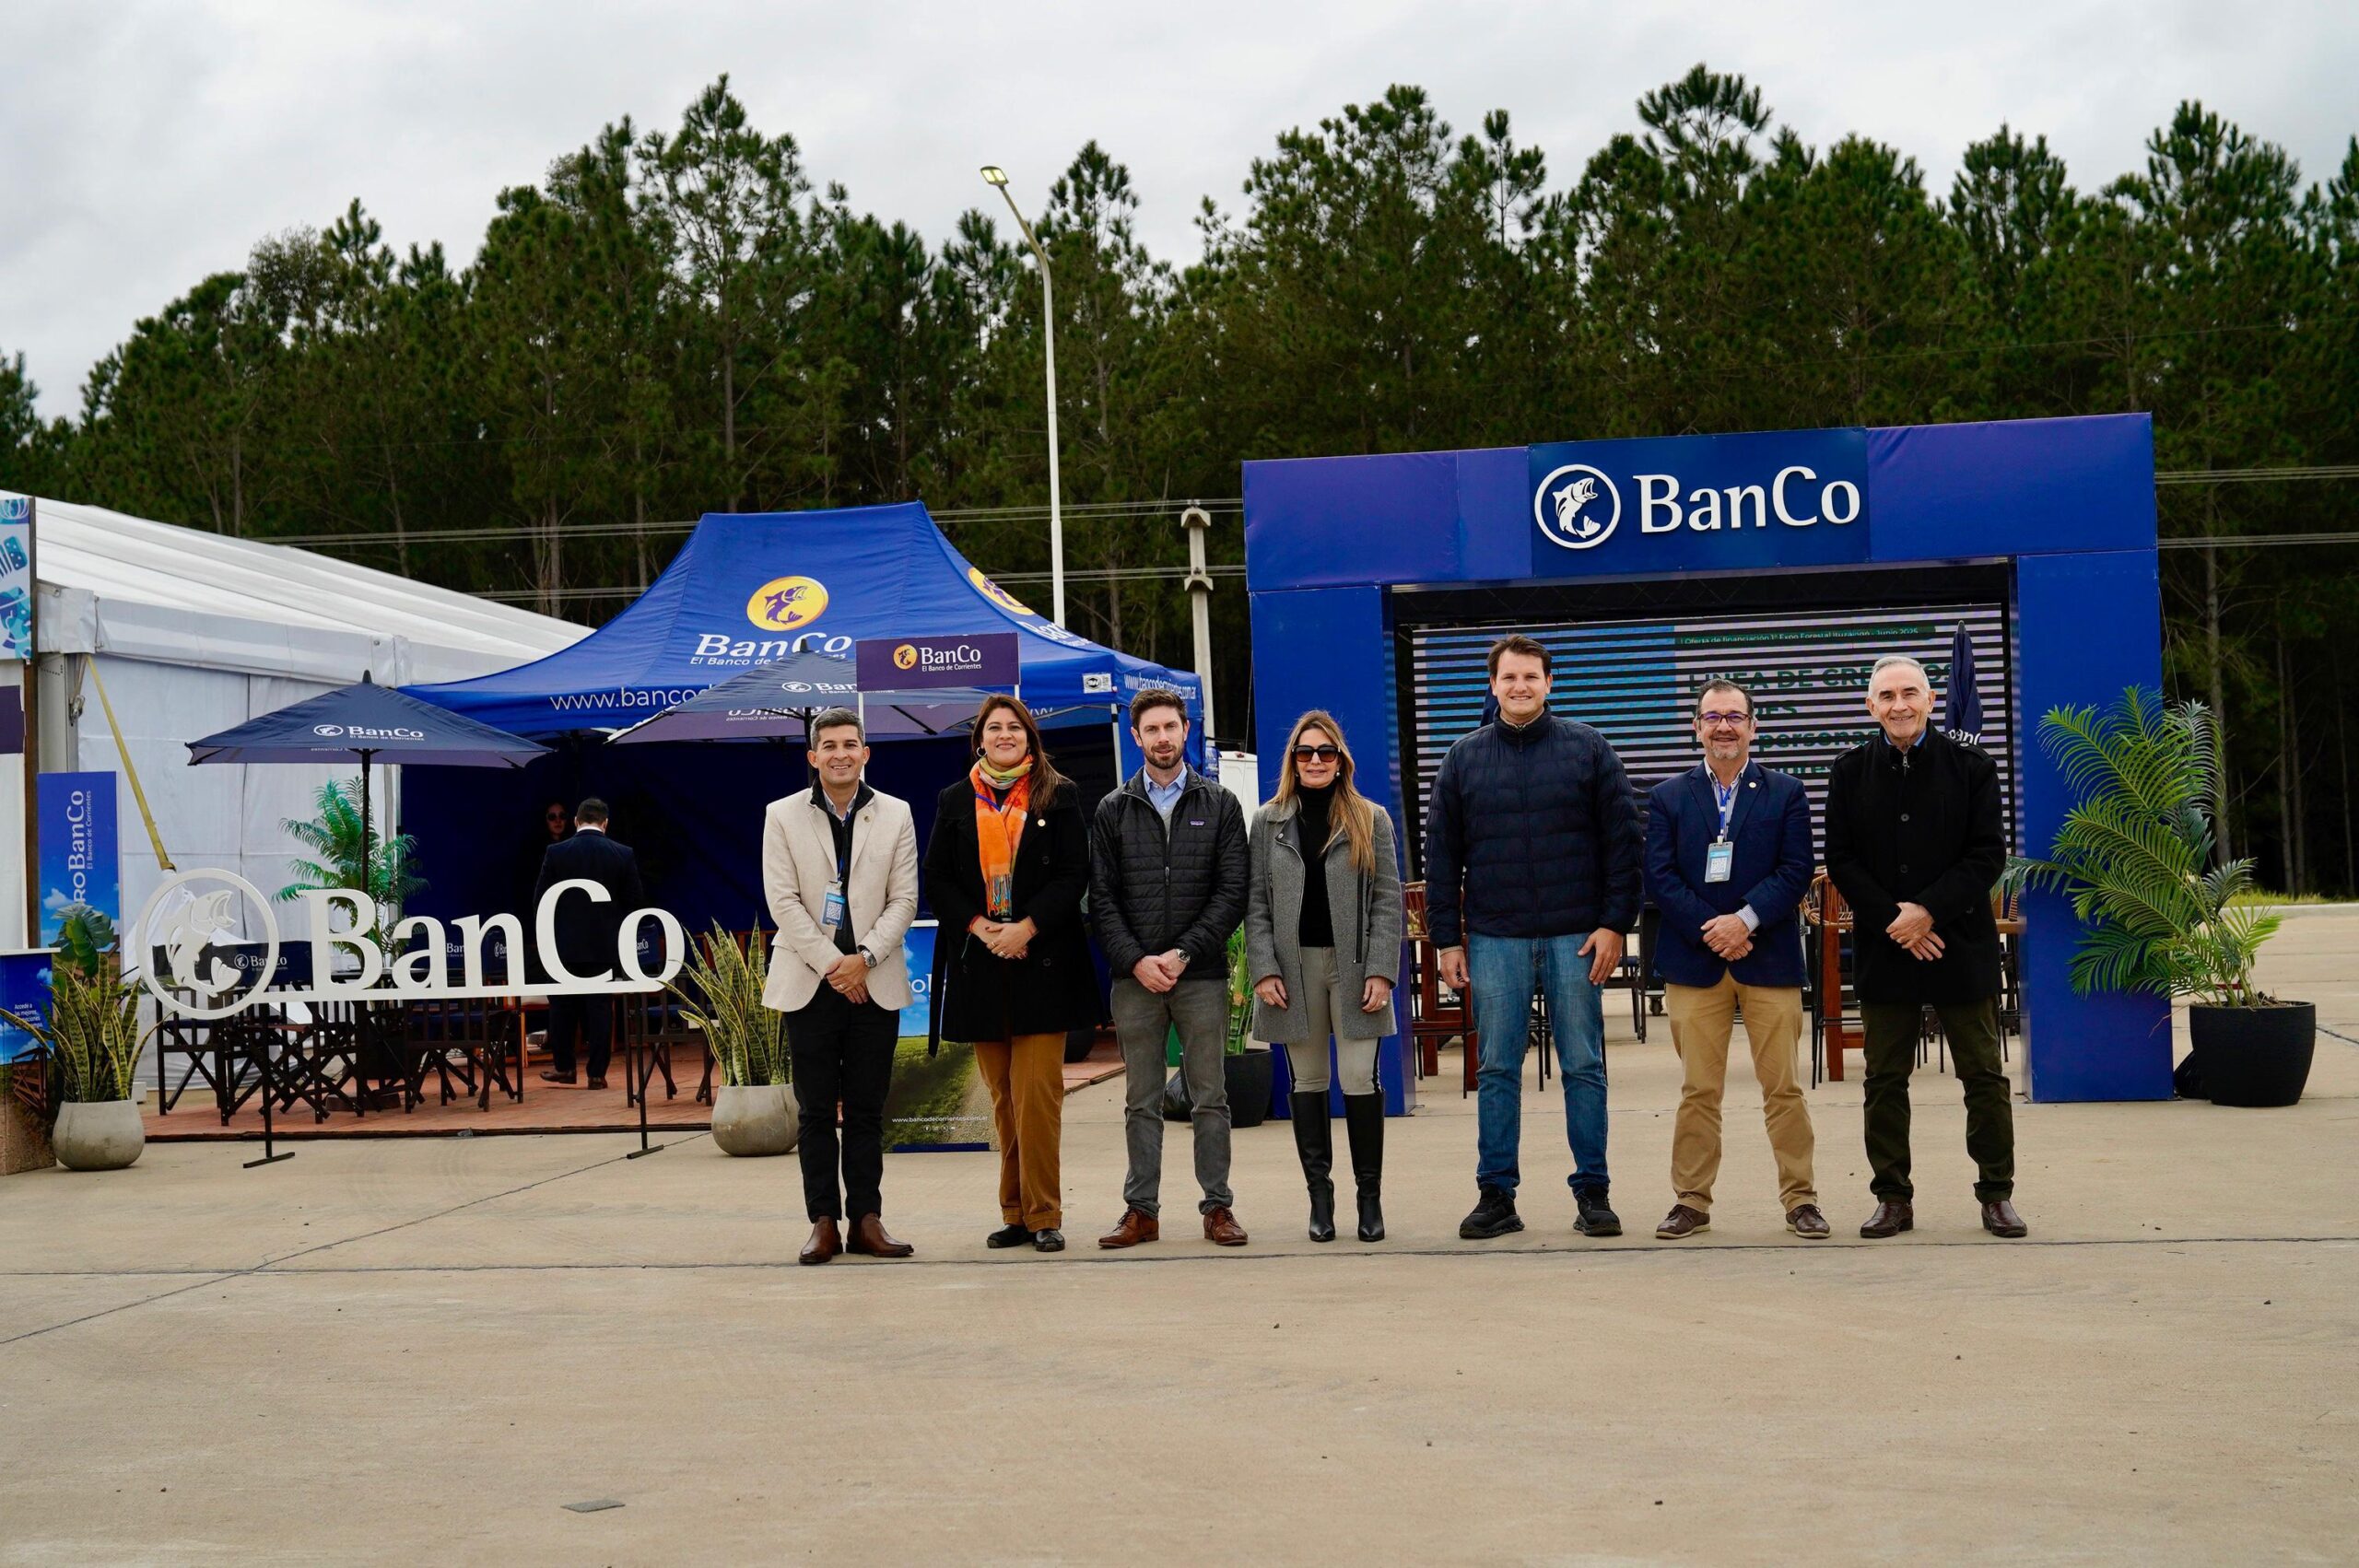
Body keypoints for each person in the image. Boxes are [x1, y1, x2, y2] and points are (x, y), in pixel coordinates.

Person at [1426, 634, 1641, 1241]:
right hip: (1496, 939)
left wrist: (1614, 924)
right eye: (1509, 677)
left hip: (1578, 937)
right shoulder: (1462, 759)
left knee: (1584, 1065)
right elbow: (1441, 857)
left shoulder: (1589, 748)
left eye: (1530, 677)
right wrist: (1447, 940)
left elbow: (1624, 843)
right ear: (1492, 685)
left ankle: (1593, 1194)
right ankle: (1496, 1196)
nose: (1519, 686)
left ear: (1550, 683)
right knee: (1496, 1067)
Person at [1825, 654, 2026, 1239]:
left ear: (1931, 701)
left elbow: (1987, 855)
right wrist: (1896, 920)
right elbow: (1841, 859)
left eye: (1910, 693)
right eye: (1887, 696)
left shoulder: (1972, 767)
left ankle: (1996, 1194)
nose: (1900, 705)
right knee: (1884, 1080)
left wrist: (1928, 911)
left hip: (1959, 945)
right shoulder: (1849, 772)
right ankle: (1892, 1198)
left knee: (1983, 1076)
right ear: (1870, 706)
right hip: (1886, 948)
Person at [1643, 680, 1827, 1241]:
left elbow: (1797, 869)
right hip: (1695, 962)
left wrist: (1744, 921)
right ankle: (1691, 1202)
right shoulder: (1668, 796)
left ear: (1753, 726)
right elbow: (1659, 876)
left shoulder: (1786, 792)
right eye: (1712, 717)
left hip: (1767, 957)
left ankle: (1801, 1200)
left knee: (1784, 1089)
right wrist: (1714, 929)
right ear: (1696, 727)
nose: (1723, 726)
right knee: (1699, 1091)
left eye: (1734, 716)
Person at [925, 696, 1103, 1254]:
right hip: (982, 966)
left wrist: (1025, 928)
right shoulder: (954, 800)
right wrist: (982, 928)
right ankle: (1015, 1214)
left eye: (1015, 727)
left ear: (1030, 737)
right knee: (1003, 1102)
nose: (1005, 735)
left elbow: (1074, 873)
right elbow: (938, 880)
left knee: (1037, 1100)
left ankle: (1045, 1213)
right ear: (980, 738)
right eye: (994, 727)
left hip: (1042, 964)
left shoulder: (1059, 794)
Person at [1091, 687, 1251, 1249]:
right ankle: (1141, 1211)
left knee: (1210, 1097)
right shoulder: (1113, 809)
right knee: (1141, 1100)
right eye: (1152, 730)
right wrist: (1136, 960)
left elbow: (1231, 893)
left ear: (1186, 731)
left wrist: (1182, 954)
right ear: (1136, 737)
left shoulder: (1221, 804)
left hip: (1199, 977)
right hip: (1134, 980)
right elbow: (1101, 899)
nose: (1162, 738)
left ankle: (1218, 1208)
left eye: (1171, 727)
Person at [761, 709, 921, 1267]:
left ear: (865, 753)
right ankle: (823, 1222)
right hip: (810, 982)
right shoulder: (781, 815)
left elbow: (905, 899)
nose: (840, 754)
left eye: (850, 744)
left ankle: (867, 1220)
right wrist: (836, 965)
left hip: (875, 981)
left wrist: (865, 959)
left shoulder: (896, 813)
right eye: (828, 746)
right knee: (813, 1112)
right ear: (813, 757)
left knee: (866, 1110)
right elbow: (782, 901)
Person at [1245, 710, 1403, 1243]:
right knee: (1308, 1081)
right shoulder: (1267, 822)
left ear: (1341, 761)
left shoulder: (1371, 819)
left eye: (1326, 752)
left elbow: (1388, 901)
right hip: (1293, 971)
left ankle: (1369, 1199)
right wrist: (1264, 969)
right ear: (1293, 761)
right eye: (1306, 752)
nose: (1316, 761)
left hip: (1355, 967)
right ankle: (1320, 1199)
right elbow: (1256, 904)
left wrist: (1381, 971)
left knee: (1359, 1078)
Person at [533, 797, 642, 1090]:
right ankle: (597, 1074)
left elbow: (540, 900)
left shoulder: (556, 852)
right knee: (600, 1008)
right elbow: (634, 901)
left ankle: (565, 1068)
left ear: (576, 821)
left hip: (563, 946)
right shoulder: (623, 853)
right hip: (604, 945)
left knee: (562, 1006)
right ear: (605, 823)